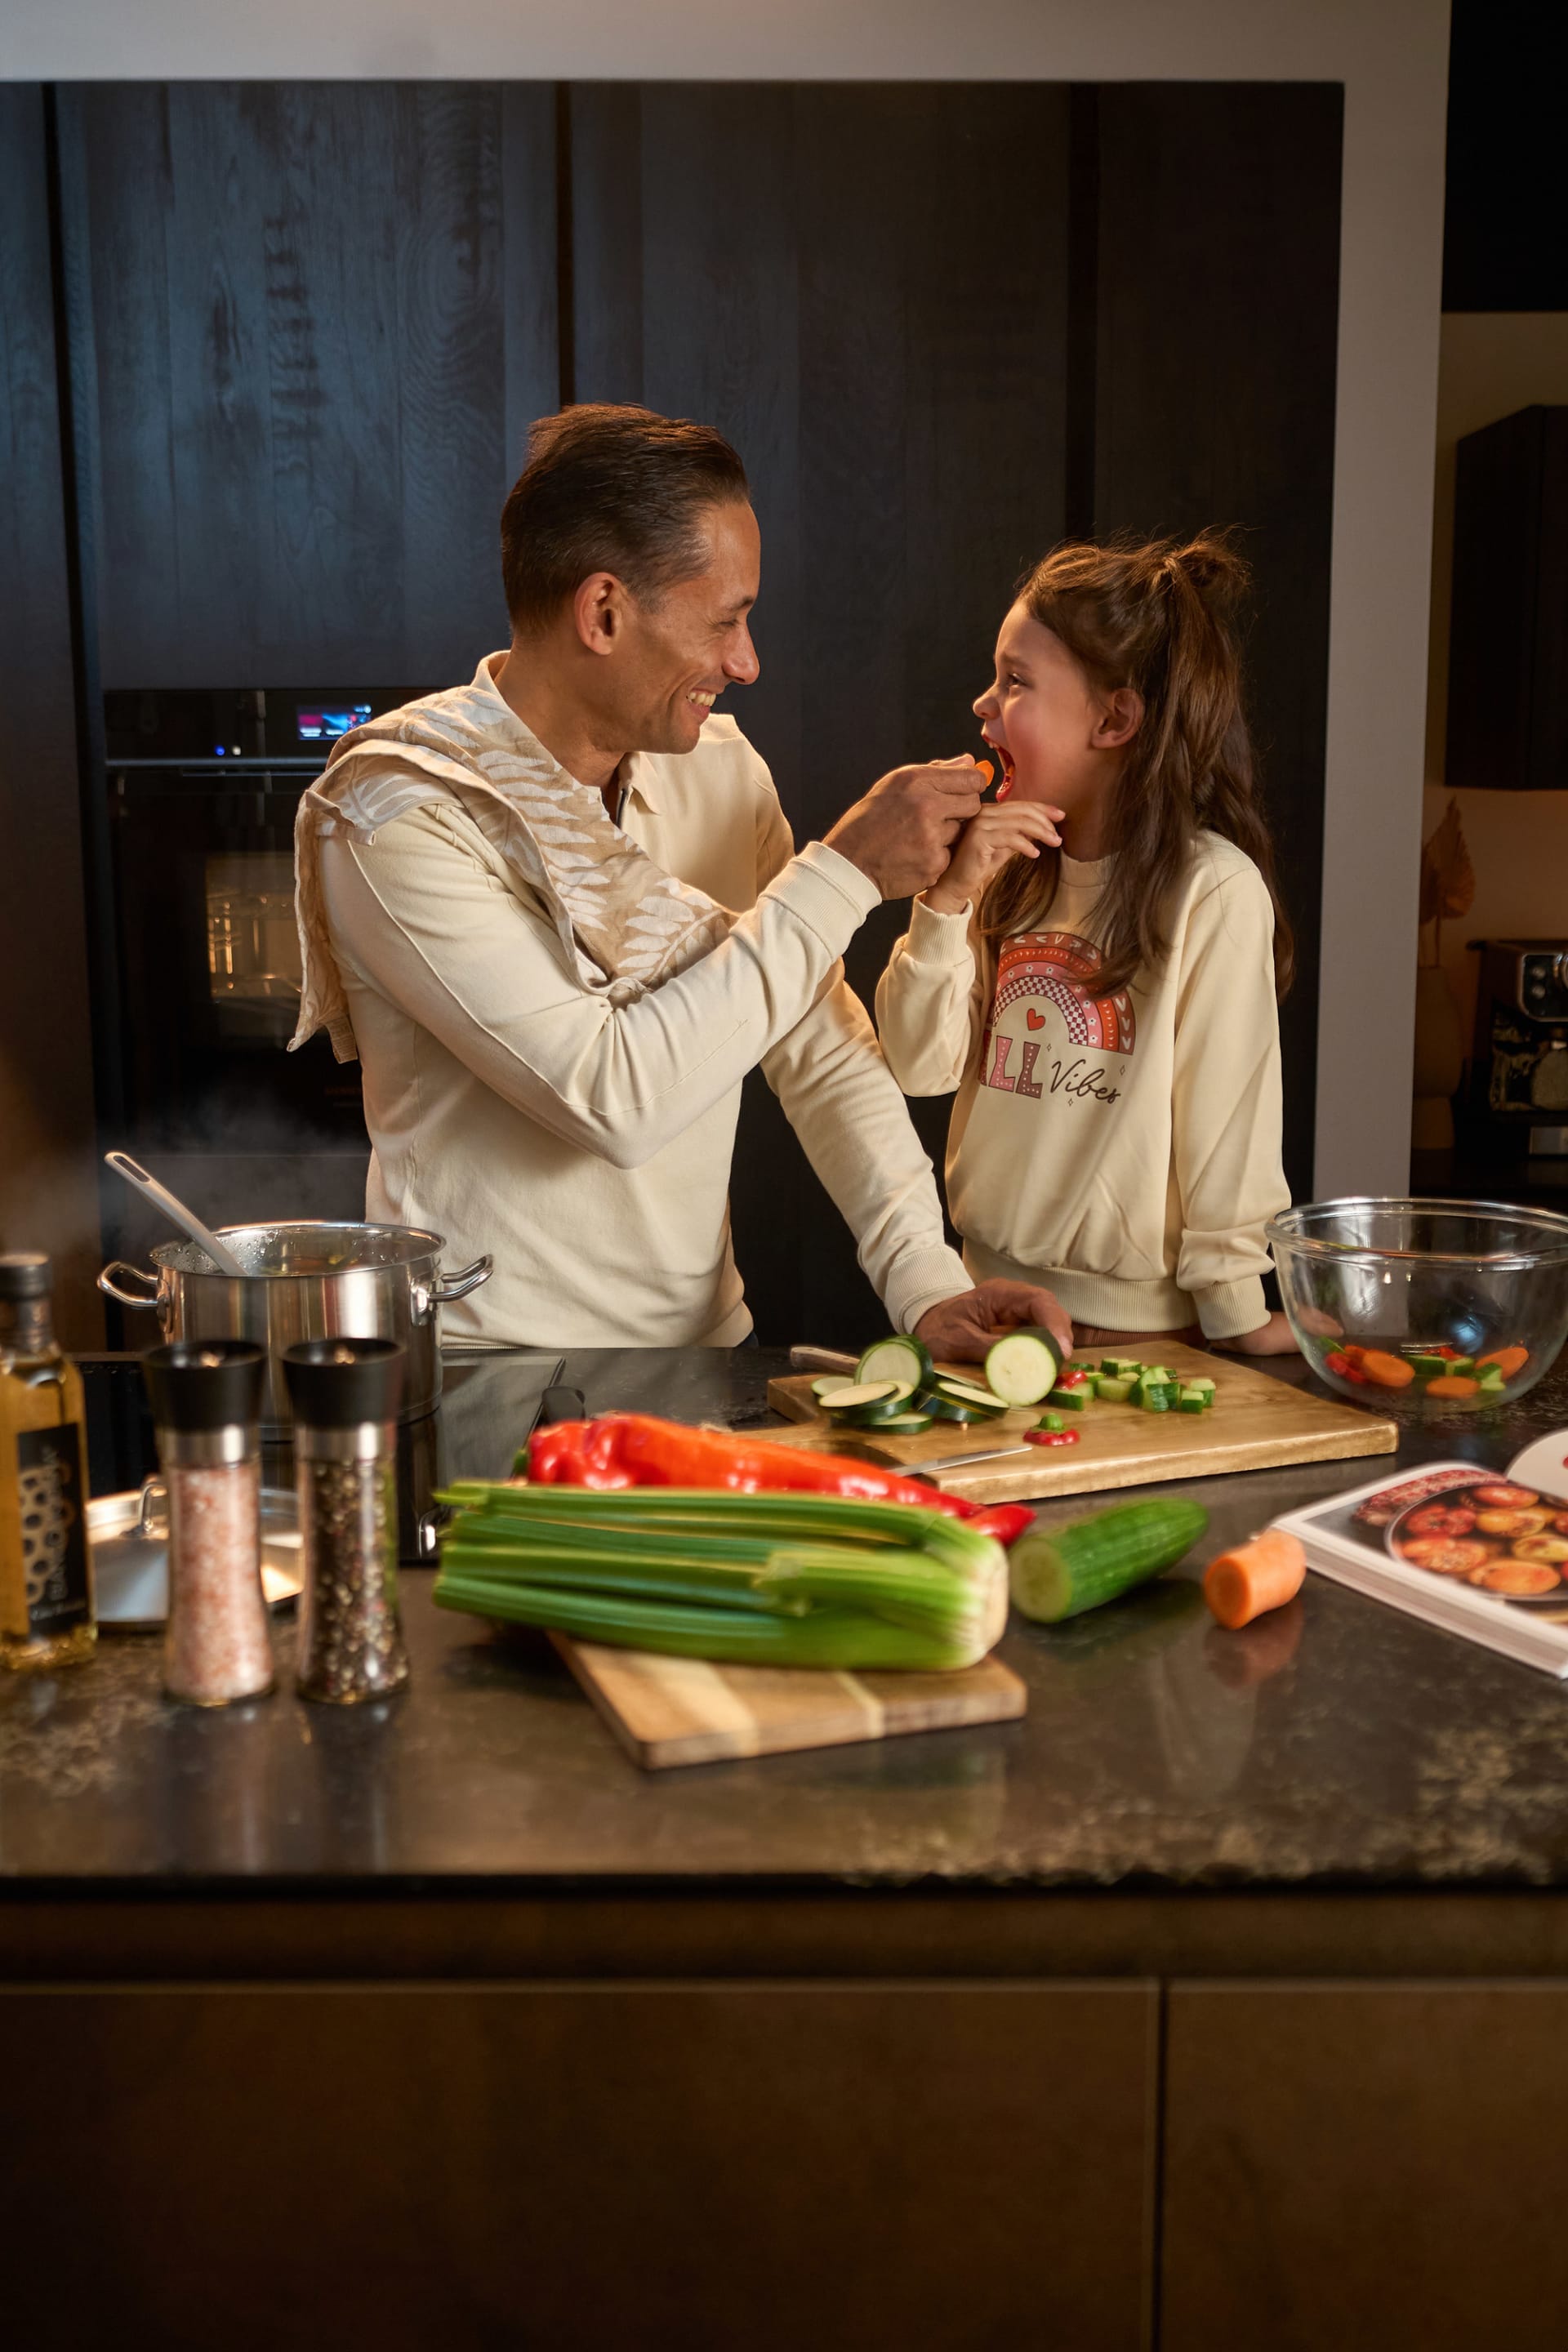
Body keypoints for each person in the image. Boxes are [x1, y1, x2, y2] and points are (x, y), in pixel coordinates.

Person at [290, 403, 1071, 1358]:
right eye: (726, 621)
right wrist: (845, 873)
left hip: (707, 1354)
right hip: (486, 1378)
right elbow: (611, 1098)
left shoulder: (717, 768)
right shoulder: (396, 815)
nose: (747, 662)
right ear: (605, 612)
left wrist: (924, 1280)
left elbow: (818, 1048)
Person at [875, 532, 1297, 1356]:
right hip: (982, 1306)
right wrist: (946, 900)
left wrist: (1239, 1317)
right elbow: (918, 1068)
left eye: (1016, 682)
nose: (983, 704)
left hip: (1138, 1335)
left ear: (1115, 718)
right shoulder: (1003, 872)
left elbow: (1227, 1121)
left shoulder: (1210, 891)